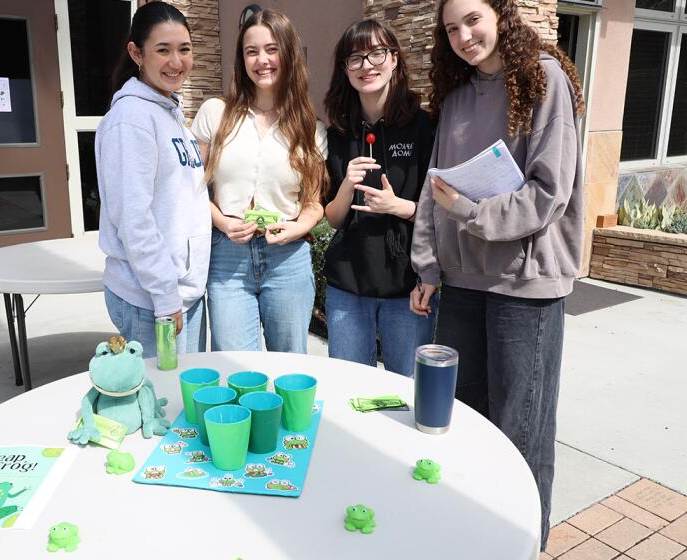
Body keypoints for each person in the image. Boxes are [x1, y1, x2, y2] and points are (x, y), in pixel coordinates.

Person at [409, 0, 585, 548]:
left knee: (521, 429)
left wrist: (470, 212)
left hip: (525, 285)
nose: (464, 35)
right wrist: (429, 267)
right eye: (452, 28)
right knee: (467, 422)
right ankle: (477, 537)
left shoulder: (544, 78)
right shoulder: (457, 96)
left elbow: (549, 192)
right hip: (463, 282)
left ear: (501, 16)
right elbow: (433, 192)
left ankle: (522, 543)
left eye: (474, 20)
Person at [192, 9, 327, 353]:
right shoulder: (214, 113)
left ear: (288, 54)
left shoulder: (310, 127)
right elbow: (190, 189)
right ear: (241, 59)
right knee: (238, 371)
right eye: (251, 51)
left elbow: (313, 203)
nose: (262, 60)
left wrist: (297, 229)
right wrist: (222, 221)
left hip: (287, 258)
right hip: (228, 258)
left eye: (271, 49)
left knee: (290, 371)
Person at [322, 19, 436, 377]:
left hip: (407, 286)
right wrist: (345, 187)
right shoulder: (337, 133)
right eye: (355, 58)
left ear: (395, 59)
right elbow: (333, 218)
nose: (366, 65)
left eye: (376, 54)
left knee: (406, 393)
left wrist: (398, 207)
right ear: (345, 69)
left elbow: (441, 211)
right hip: (348, 285)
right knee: (349, 390)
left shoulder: (424, 127)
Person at [96, 2, 210, 357]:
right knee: (161, 405)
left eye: (184, 49)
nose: (176, 62)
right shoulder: (130, 119)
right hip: (151, 300)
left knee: (183, 398)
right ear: (136, 53)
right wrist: (164, 295)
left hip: (179, 292)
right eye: (163, 50)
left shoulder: (169, 112)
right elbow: (133, 217)